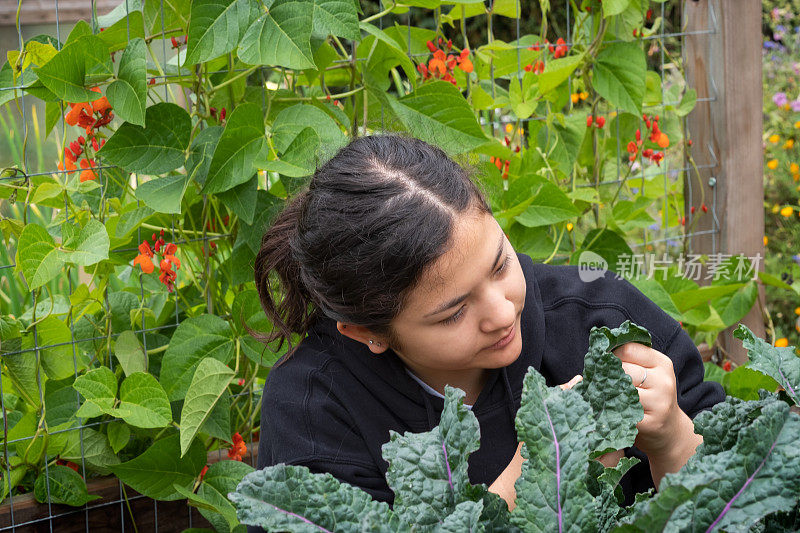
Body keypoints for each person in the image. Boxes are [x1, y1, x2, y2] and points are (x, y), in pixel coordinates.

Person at [248, 134, 725, 530]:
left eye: (500, 264)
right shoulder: (314, 409)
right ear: (369, 333)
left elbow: (750, 498)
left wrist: (673, 439)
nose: (500, 313)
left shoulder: (597, 318)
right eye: (453, 312)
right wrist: (540, 474)